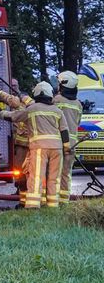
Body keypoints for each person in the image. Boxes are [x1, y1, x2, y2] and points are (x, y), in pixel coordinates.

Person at [0, 81, 70, 209]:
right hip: (57, 149)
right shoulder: (57, 111)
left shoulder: (32, 109)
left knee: (36, 176)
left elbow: (14, 117)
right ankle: (53, 206)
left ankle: (32, 205)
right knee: (54, 177)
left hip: (39, 148)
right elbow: (64, 130)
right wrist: (66, 147)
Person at [0, 85, 34, 195]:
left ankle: (23, 191)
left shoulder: (23, 105)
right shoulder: (35, 106)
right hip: (31, 144)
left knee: (21, 169)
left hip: (23, 144)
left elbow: (10, 100)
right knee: (28, 169)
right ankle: (24, 190)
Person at [54, 70, 83, 205]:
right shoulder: (78, 104)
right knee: (66, 173)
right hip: (73, 144)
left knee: (53, 173)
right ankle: (64, 201)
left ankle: (51, 200)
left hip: (59, 142)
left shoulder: (57, 100)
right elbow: (77, 122)